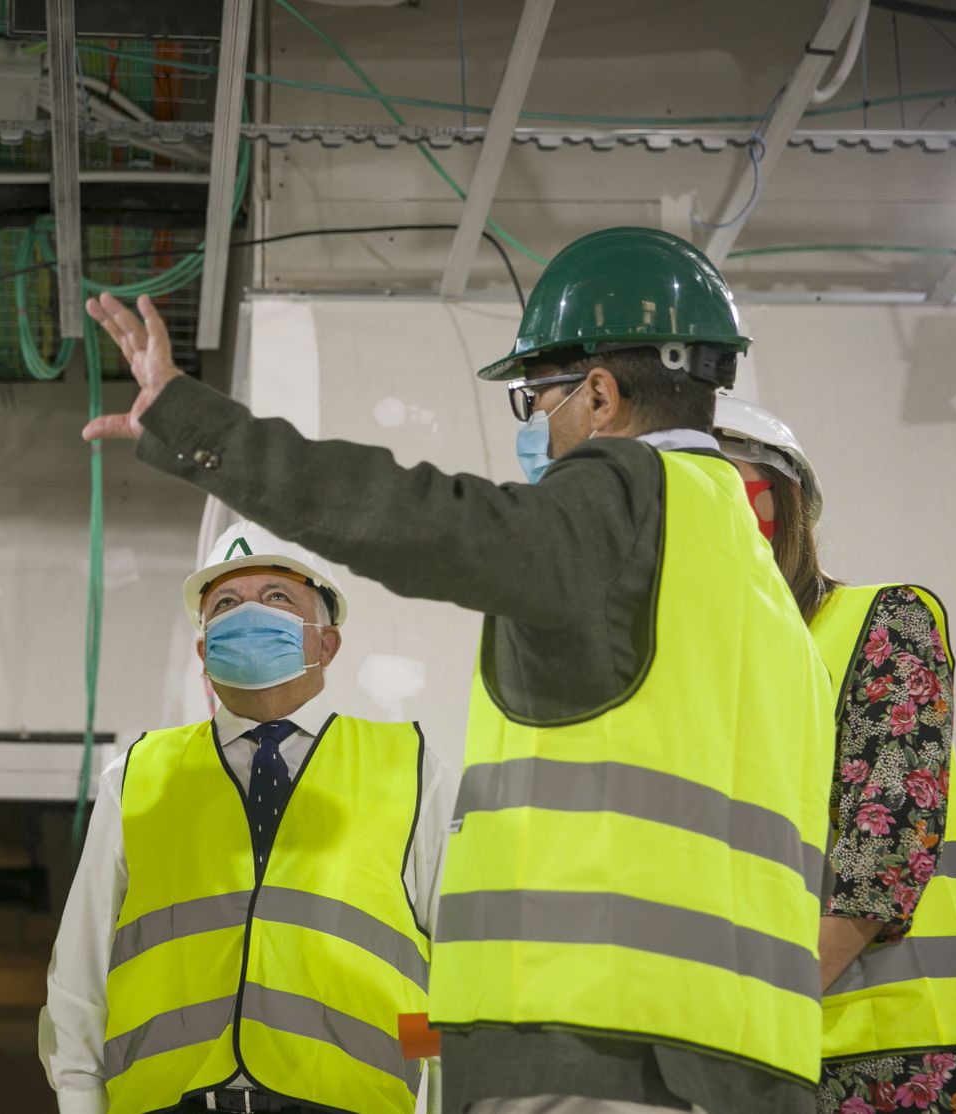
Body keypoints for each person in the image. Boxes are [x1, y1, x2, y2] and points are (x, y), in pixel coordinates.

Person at [83, 228, 834, 1114]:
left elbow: (426, 521)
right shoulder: (764, 593)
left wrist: (192, 420)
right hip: (751, 1062)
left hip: (598, 1046)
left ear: (598, 392)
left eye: (537, 399)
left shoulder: (627, 497)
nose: (539, 431)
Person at [40, 522, 451, 1114]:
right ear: (205, 651)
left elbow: (454, 972)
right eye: (226, 605)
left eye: (276, 597)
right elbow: (81, 975)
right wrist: (80, 1100)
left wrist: (431, 1095)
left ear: (326, 643)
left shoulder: (411, 771)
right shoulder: (138, 777)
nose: (247, 615)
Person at [713, 397, 956, 1114]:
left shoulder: (881, 619)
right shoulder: (708, 679)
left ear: (783, 505)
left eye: (722, 491)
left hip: (909, 1055)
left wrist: (765, 1007)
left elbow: (889, 845)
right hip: (779, 1057)